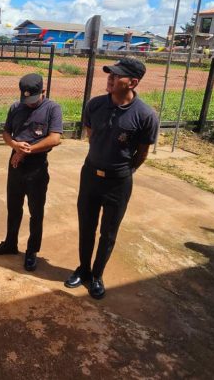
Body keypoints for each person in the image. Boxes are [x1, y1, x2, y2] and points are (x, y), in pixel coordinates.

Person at [65, 57, 158, 299]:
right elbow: (92, 136)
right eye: (110, 73)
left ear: (133, 83)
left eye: (117, 75)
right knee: (86, 226)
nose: (111, 78)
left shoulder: (145, 115)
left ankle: (97, 275)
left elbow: (142, 153)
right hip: (90, 177)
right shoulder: (94, 105)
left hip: (119, 182)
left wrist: (122, 171)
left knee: (108, 232)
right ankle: (83, 269)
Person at [0, 73, 63, 271]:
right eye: (25, 98)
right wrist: (14, 145)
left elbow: (55, 138)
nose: (28, 103)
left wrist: (26, 150)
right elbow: (6, 133)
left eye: (32, 98)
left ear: (43, 92)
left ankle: (32, 251)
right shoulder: (16, 107)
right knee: (13, 207)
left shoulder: (52, 108)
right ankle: (10, 243)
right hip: (15, 165)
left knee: (36, 212)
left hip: (37, 166)